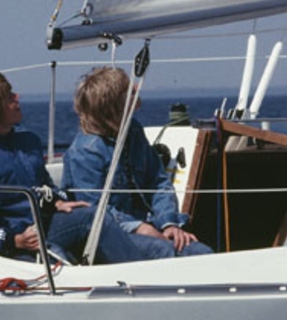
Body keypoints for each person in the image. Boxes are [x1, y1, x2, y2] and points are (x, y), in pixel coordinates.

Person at [0, 73, 174, 264]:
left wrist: (58, 201)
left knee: (92, 215)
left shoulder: (27, 141)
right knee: (62, 260)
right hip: (19, 239)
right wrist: (15, 240)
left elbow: (44, 186)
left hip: (48, 224)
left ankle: (140, 273)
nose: (17, 97)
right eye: (9, 97)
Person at [63, 66, 210, 257]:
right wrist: (140, 228)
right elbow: (94, 211)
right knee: (168, 251)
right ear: (115, 104)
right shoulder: (86, 151)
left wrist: (169, 223)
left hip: (145, 221)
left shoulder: (133, 130)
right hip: (109, 233)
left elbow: (157, 181)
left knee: (199, 248)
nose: (136, 88)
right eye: (129, 90)